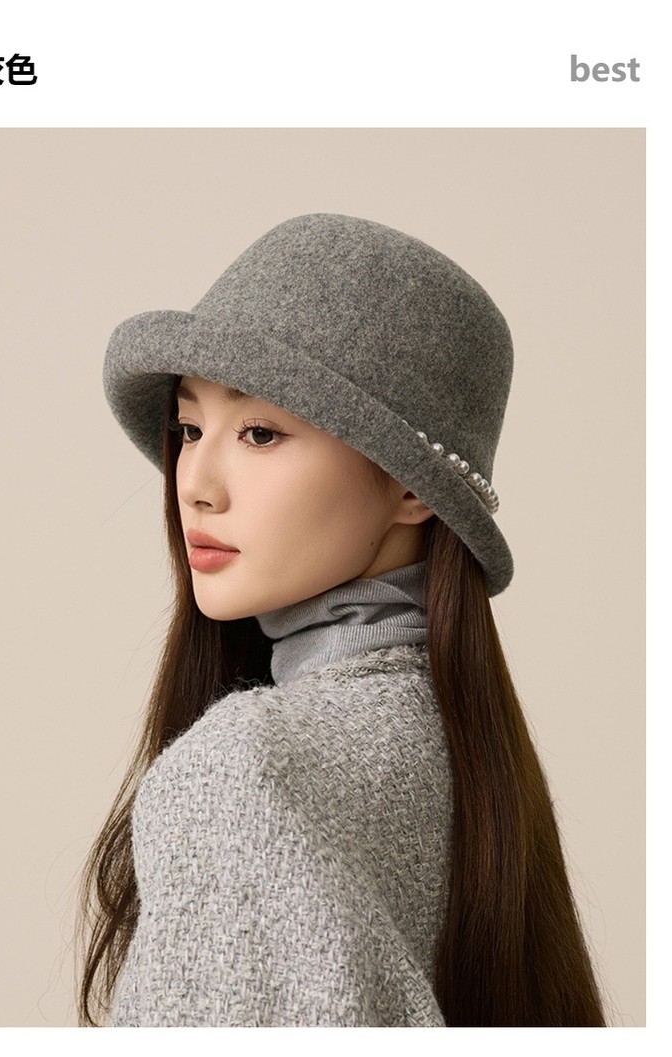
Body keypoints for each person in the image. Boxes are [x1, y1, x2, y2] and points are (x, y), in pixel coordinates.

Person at [76, 213, 606, 1027]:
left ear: (412, 485)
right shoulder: (478, 761)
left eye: (260, 432)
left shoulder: (243, 771)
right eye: (189, 428)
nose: (196, 484)